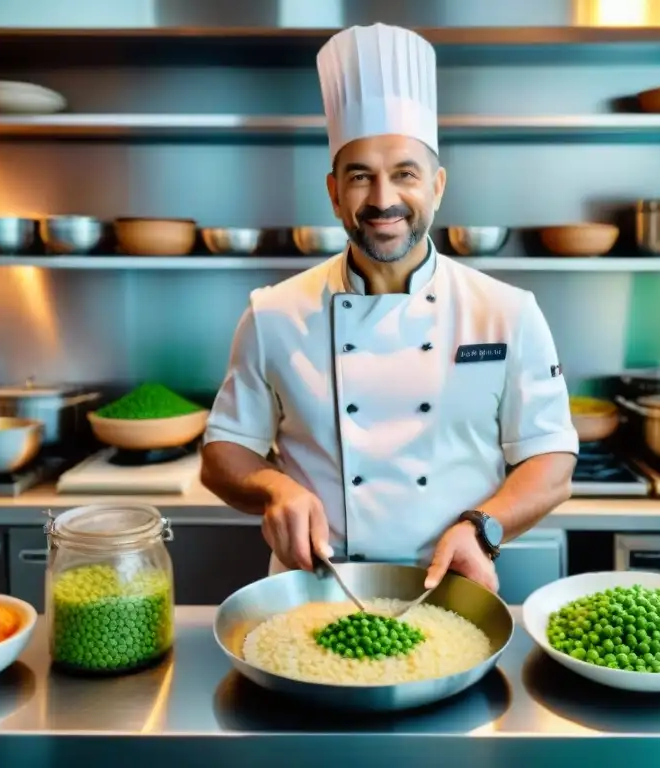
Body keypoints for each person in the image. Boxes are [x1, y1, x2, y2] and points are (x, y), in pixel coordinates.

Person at [201, 23, 578, 593]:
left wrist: (483, 528)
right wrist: (275, 488)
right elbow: (222, 455)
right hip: (314, 589)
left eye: (405, 174)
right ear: (334, 193)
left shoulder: (507, 312)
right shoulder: (273, 313)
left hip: (451, 587)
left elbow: (552, 462)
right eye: (361, 177)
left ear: (437, 187)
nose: (383, 199)